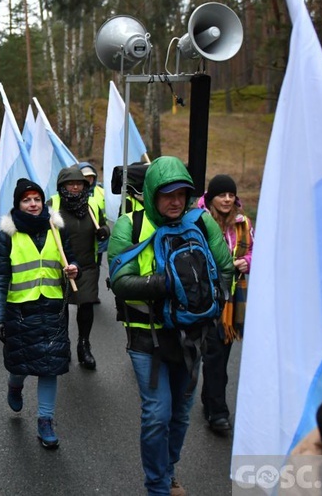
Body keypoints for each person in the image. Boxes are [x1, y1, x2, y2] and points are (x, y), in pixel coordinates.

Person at [107, 156, 234, 496]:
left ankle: (168, 471)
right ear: (151, 194)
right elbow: (119, 280)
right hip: (146, 337)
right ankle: (157, 486)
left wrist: (212, 304)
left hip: (192, 336)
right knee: (157, 414)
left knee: (180, 415)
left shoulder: (202, 222)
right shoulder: (128, 227)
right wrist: (169, 283)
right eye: (167, 194)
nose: (175, 201)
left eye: (182, 193)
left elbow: (224, 267)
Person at [0, 178, 79, 449]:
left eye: (37, 199)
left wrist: (74, 268)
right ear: (18, 204)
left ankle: (45, 421)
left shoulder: (56, 229)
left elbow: (71, 259)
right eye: (26, 200)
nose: (33, 204)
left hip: (52, 308)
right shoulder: (7, 235)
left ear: (43, 202)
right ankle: (15, 385)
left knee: (49, 367)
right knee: (21, 364)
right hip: (19, 310)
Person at [197, 174, 254, 434]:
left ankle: (211, 401)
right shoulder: (199, 222)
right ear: (211, 198)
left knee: (221, 354)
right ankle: (218, 412)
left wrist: (247, 262)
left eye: (231, 195)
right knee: (213, 355)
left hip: (232, 300)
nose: (228, 199)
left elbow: (255, 250)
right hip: (205, 297)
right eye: (222, 195)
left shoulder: (243, 224)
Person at [48, 166, 110, 370]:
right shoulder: (52, 205)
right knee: (61, 307)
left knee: (87, 304)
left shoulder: (91, 204)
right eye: (70, 183)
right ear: (61, 186)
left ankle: (84, 345)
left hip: (87, 265)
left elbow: (103, 224)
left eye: (79, 183)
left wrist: (104, 231)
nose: (75, 187)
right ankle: (62, 344)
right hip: (60, 266)